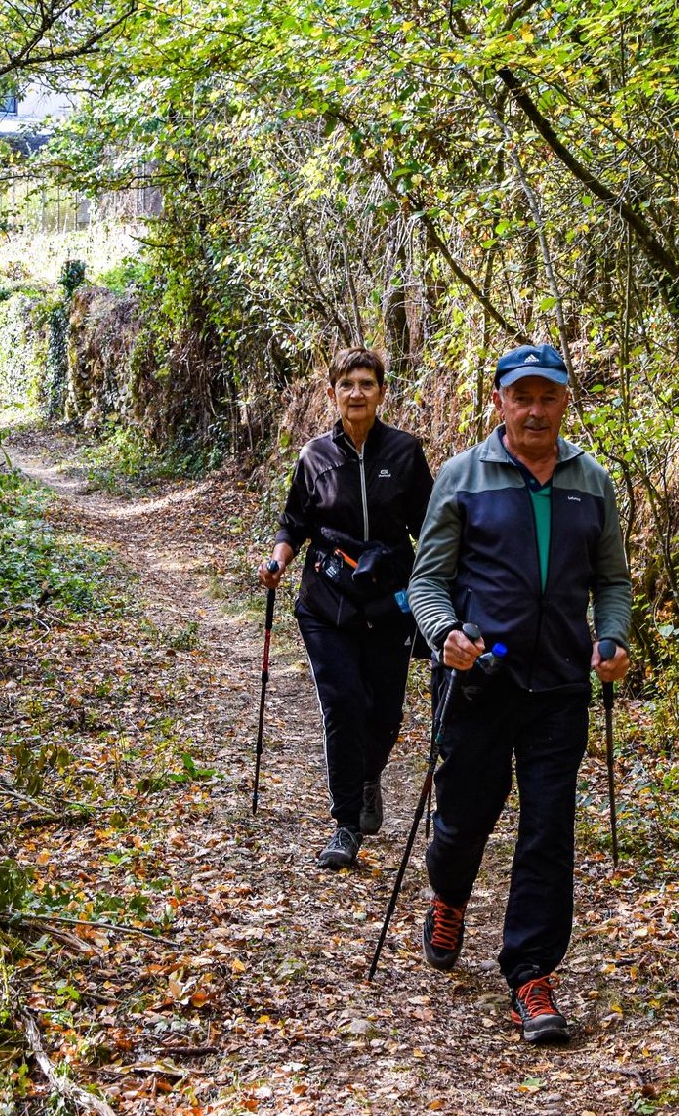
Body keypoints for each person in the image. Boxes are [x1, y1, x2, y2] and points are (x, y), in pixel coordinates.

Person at [406, 342, 632, 1045]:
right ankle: (448, 893)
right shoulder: (462, 476)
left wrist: (613, 636)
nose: (535, 409)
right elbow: (426, 580)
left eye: (548, 396)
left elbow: (613, 581)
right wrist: (443, 631)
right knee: (464, 816)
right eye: (522, 395)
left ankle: (531, 972)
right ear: (498, 398)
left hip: (561, 685)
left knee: (548, 830)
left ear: (566, 401)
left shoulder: (592, 481)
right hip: (479, 682)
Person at [263, 348, 434, 870]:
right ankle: (344, 824)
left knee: (382, 712)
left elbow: (429, 528)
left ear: (382, 392)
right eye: (346, 385)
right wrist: (277, 558)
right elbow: (296, 522)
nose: (356, 393)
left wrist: (441, 586)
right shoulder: (315, 455)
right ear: (332, 392)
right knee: (343, 703)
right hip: (327, 601)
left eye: (366, 384)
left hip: (389, 602)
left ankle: (367, 780)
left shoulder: (405, 452)